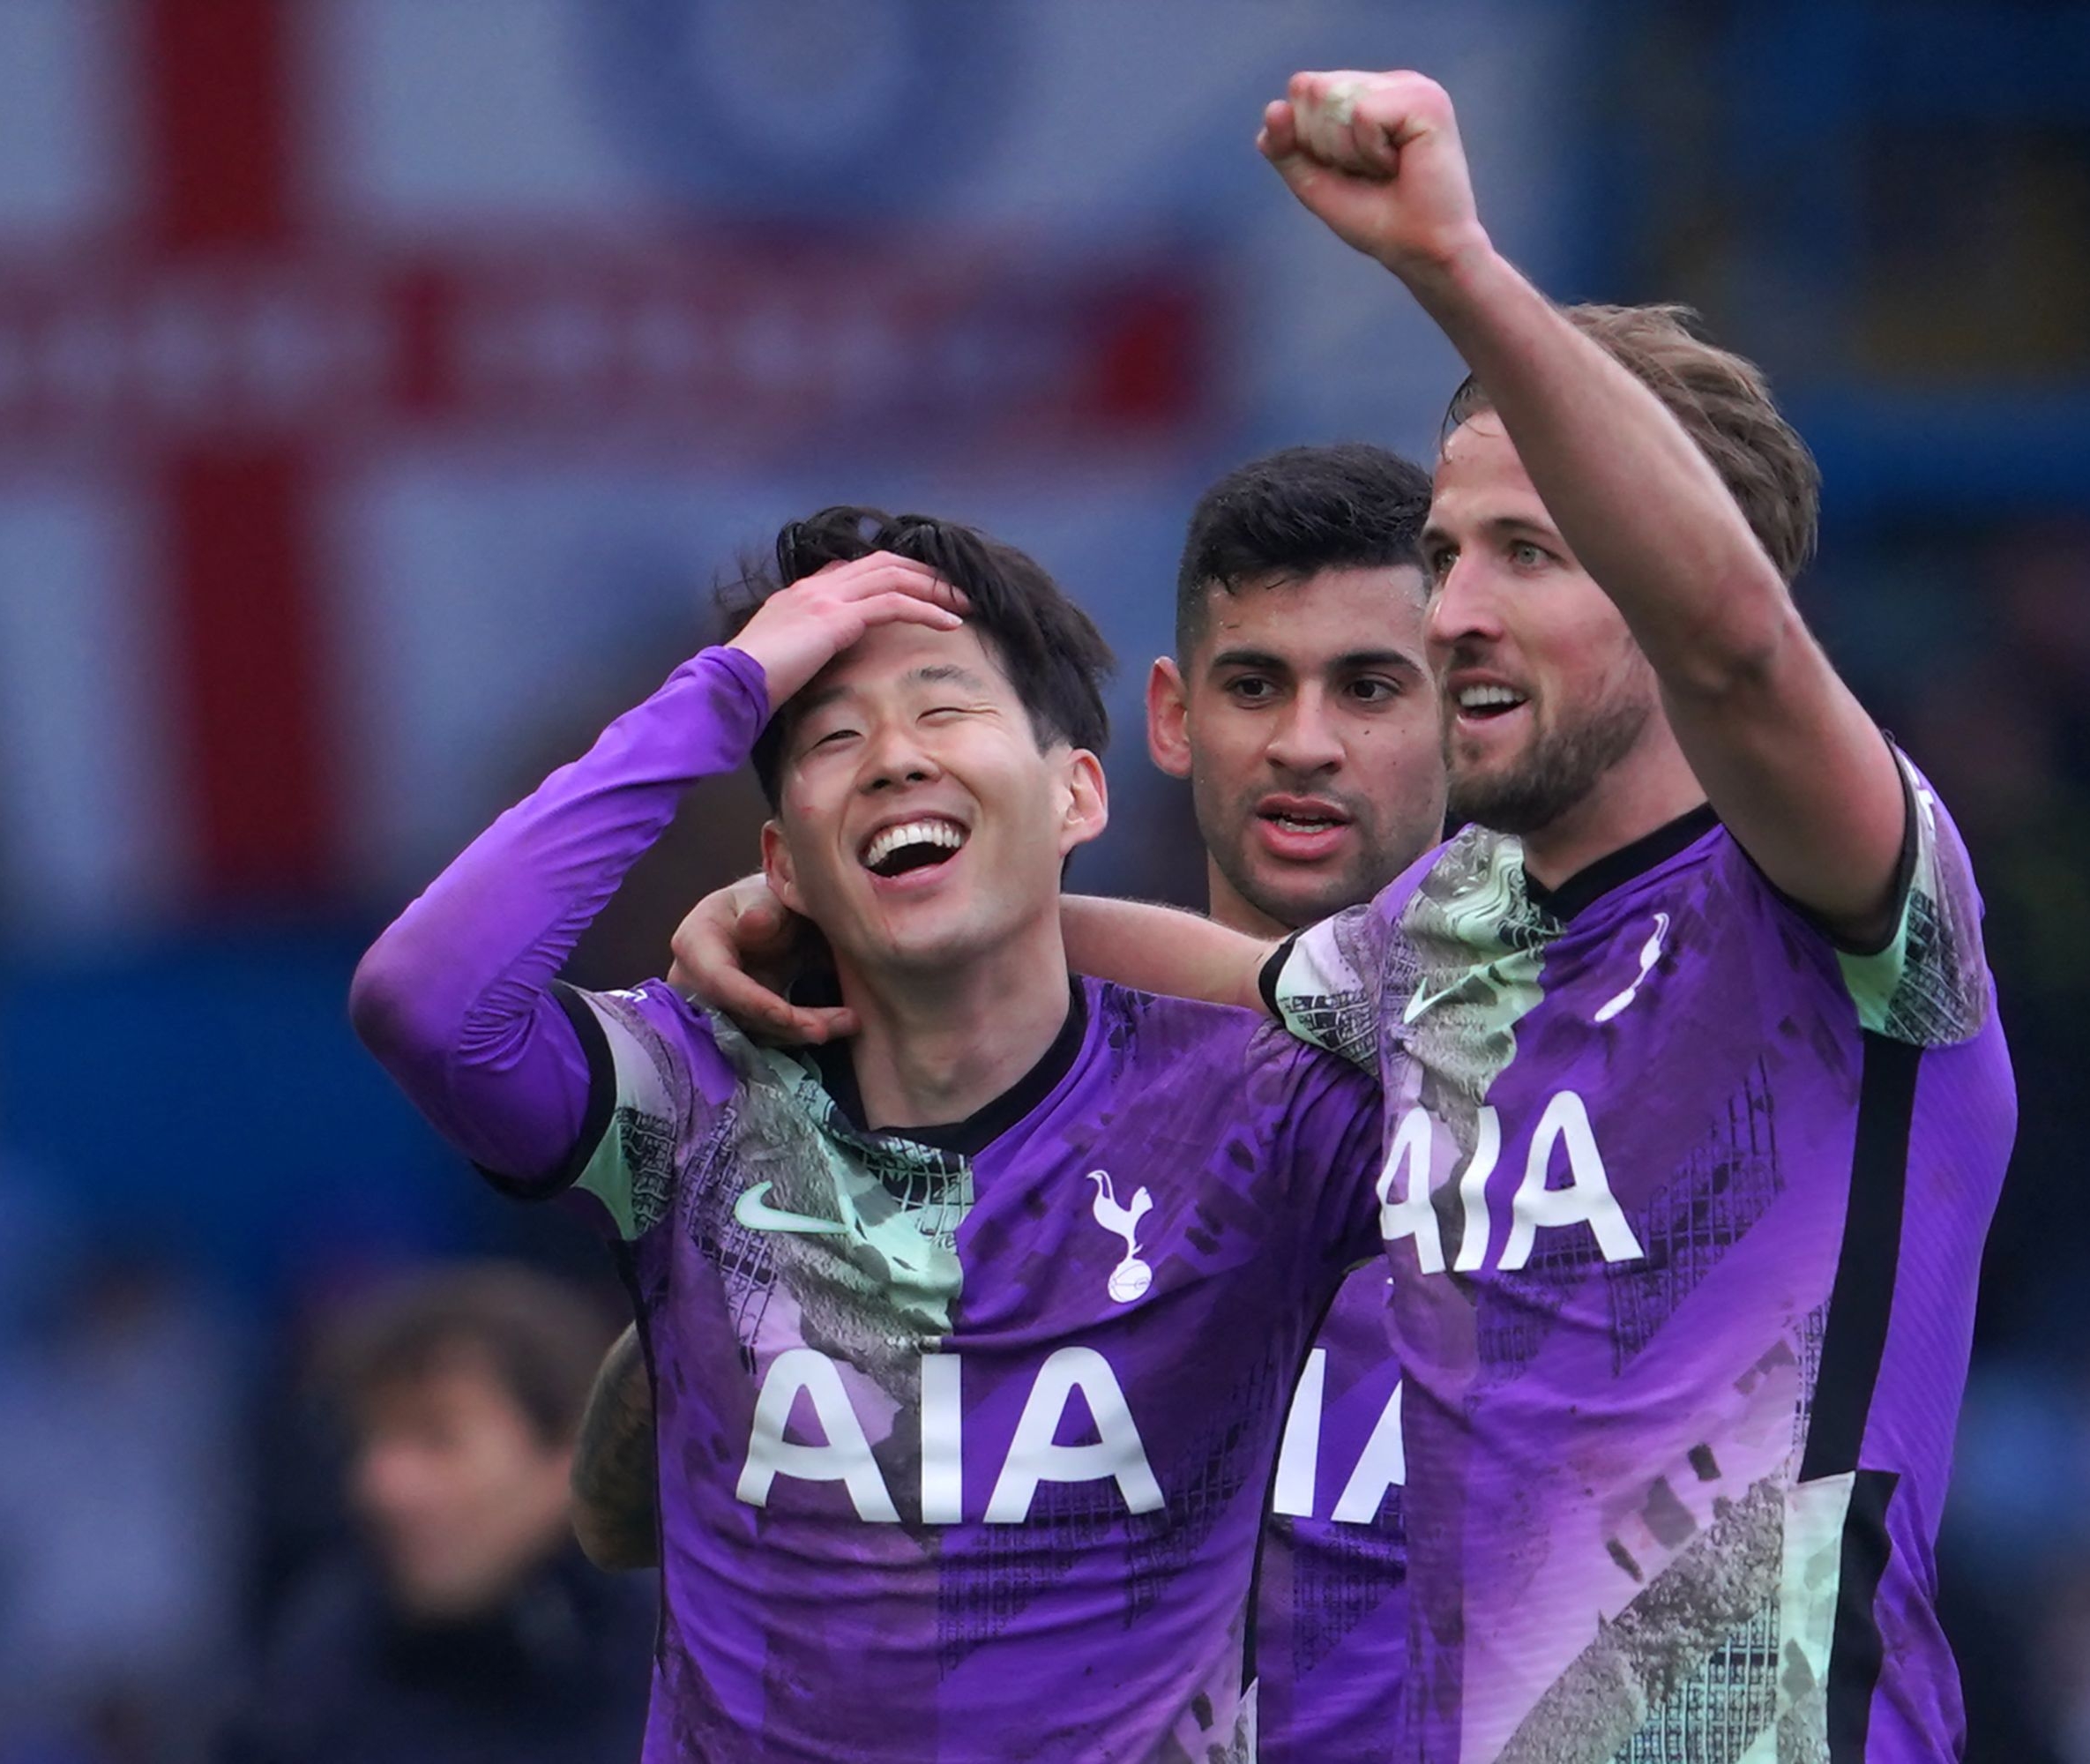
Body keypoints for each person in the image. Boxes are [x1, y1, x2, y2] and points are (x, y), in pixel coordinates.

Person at [676, 68, 2015, 1760]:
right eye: (1448, 555)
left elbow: (1742, 648)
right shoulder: (1447, 934)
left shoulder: (1852, 909)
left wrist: (1453, 262)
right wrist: (865, 907)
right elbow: (1236, 977)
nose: (1457, 610)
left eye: (1530, 552)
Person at [348, 507, 1381, 1761]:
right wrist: (725, 693)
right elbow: (429, 1002)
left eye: (945, 711)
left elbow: (1482, 1053)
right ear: (782, 860)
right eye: (833, 735)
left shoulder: (1257, 1109)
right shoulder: (689, 1096)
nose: (894, 758)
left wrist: (1033, 917)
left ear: (1079, 793)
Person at [218, 1266, 652, 1764]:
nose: (380, 1484)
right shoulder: (317, 1659)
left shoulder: (695, 1667)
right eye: (367, 1441)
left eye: (436, 1439)